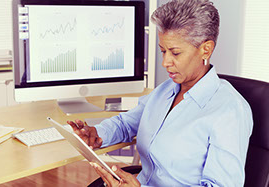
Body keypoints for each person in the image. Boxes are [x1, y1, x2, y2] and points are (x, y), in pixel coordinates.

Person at [68, 0, 253, 186]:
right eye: (163, 51)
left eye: (175, 53)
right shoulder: (166, 90)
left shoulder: (229, 111)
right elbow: (126, 124)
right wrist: (97, 134)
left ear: (206, 49)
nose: (165, 62)